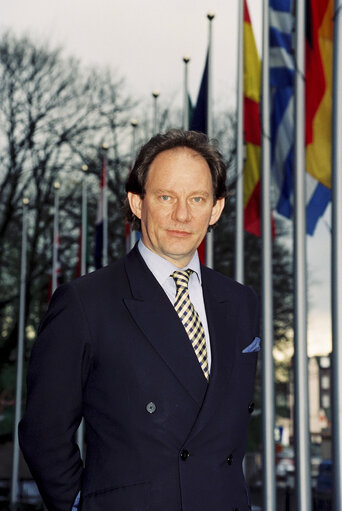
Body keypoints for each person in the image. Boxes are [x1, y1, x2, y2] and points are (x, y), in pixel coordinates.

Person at [19, 130, 260, 511]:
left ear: (216, 208)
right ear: (137, 202)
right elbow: (42, 434)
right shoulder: (85, 303)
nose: (182, 214)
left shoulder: (242, 302)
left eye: (197, 198)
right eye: (166, 197)